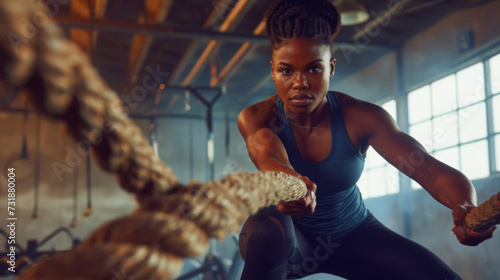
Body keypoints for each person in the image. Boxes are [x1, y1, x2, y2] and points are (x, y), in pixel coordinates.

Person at [236, 0, 497, 279]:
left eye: (314, 68)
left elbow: (427, 170)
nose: (300, 82)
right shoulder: (256, 117)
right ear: (273, 70)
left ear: (331, 68)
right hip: (290, 246)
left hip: (354, 235)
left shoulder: (362, 117)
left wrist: (465, 204)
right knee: (265, 229)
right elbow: (269, 156)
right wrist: (291, 184)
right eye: (287, 70)